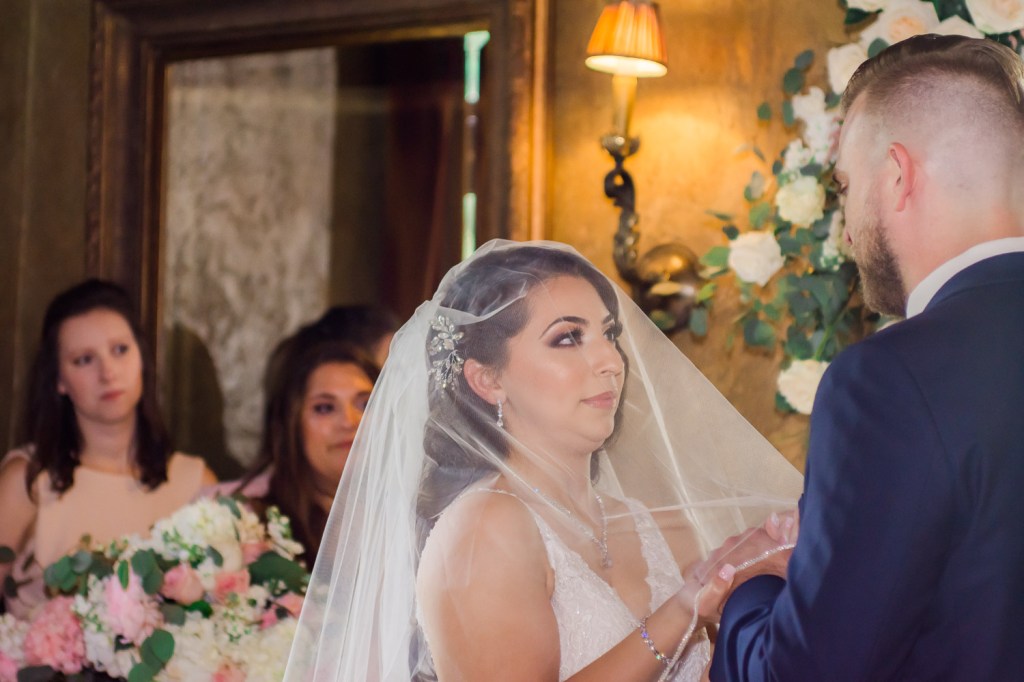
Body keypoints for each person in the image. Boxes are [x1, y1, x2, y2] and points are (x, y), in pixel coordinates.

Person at [283, 240, 802, 681]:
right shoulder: (482, 528)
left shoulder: (658, 525)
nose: (609, 361)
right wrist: (683, 608)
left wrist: (752, 573)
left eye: (608, 334)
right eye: (568, 338)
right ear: (488, 379)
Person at [710, 34, 1024, 681]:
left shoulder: (888, 380)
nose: (847, 232)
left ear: (898, 175)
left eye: (846, 187)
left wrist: (750, 587)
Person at [0, 279, 217, 617]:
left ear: (142, 358)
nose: (108, 372)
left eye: (120, 350)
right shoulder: (29, 479)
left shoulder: (195, 482)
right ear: (59, 379)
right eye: (84, 359)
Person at [215, 336, 379, 564]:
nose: (350, 422)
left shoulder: (415, 516)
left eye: (365, 404)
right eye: (325, 408)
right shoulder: (244, 524)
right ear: (291, 424)